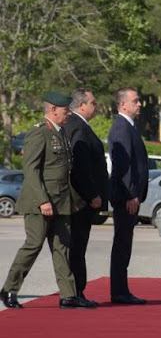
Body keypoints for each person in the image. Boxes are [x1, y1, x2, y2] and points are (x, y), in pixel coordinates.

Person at [0, 92, 96, 309]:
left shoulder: (61, 133)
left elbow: (64, 172)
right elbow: (31, 170)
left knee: (63, 247)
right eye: (65, 110)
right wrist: (43, 200)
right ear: (53, 109)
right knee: (33, 245)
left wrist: (71, 200)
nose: (68, 113)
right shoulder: (39, 133)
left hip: (61, 202)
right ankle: (9, 290)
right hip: (40, 202)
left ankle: (68, 295)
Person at [66, 88, 109, 306]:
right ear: (81, 105)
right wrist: (92, 194)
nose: (96, 105)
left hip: (81, 200)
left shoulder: (76, 125)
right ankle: (75, 293)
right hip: (80, 202)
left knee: (76, 247)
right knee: (77, 247)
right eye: (93, 102)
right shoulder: (78, 127)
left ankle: (73, 292)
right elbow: (80, 167)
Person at [108, 87, 149, 305]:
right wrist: (131, 194)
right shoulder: (122, 127)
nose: (140, 104)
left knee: (125, 244)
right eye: (136, 100)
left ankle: (121, 290)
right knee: (122, 245)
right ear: (123, 104)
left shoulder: (129, 126)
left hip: (130, 196)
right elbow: (122, 166)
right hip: (126, 197)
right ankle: (119, 292)